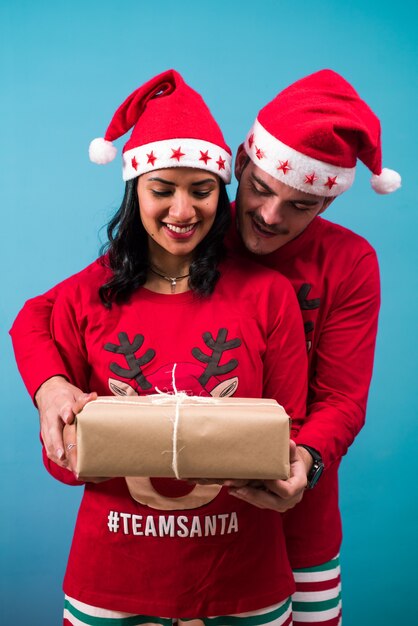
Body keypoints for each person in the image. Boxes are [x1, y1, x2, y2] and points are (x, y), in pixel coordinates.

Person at [10, 69, 401, 625]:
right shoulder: (187, 228)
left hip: (298, 492)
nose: (270, 217)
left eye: (301, 205)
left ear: (328, 203)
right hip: (160, 529)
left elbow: (341, 397)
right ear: (240, 164)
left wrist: (306, 461)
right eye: (261, 190)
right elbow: (45, 314)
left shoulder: (349, 263)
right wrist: (51, 385)